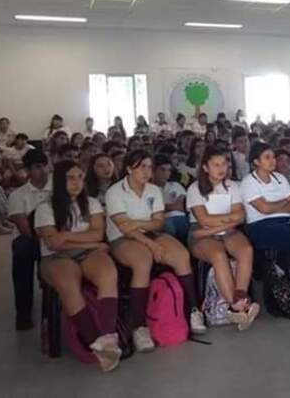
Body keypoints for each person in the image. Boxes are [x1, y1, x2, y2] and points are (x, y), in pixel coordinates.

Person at [105, 150, 206, 352]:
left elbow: (159, 222)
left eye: (149, 166)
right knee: (142, 262)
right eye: (141, 166)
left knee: (181, 256)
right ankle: (139, 327)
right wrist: (150, 242)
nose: (146, 171)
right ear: (128, 169)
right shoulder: (114, 192)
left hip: (151, 234)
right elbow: (124, 228)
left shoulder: (153, 190)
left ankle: (194, 311)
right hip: (122, 239)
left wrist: (138, 224)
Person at [34, 160, 121, 372]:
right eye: (70, 178)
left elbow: (97, 233)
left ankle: (108, 339)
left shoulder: (91, 203)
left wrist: (66, 235)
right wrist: (90, 241)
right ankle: (95, 342)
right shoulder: (45, 208)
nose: (76, 183)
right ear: (59, 180)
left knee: (108, 273)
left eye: (80, 177)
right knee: (68, 284)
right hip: (57, 257)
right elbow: (53, 243)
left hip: (87, 253)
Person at [187, 146, 261, 328]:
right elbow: (203, 219)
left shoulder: (232, 186)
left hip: (227, 231)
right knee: (219, 255)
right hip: (202, 235)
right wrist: (228, 220)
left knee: (246, 250)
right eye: (216, 164)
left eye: (224, 164)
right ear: (205, 167)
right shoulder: (195, 189)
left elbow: (239, 214)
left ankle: (240, 297)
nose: (221, 168)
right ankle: (236, 307)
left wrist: (221, 223)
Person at [239, 142, 290, 291]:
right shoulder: (248, 182)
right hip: (260, 226)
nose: (273, 161)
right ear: (256, 162)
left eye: (273, 157)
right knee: (287, 233)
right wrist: (284, 201)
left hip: (287, 220)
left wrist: (276, 205)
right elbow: (264, 209)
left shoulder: (279, 178)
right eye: (267, 157)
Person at [7, 149, 51, 330]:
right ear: (28, 170)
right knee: (23, 253)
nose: (43, 171)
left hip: (55, 235)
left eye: (45, 166)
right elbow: (24, 227)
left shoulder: (59, 188)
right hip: (29, 237)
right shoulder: (18, 195)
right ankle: (23, 313)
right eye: (37, 167)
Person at [152, 154, 189, 244]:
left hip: (182, 218)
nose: (166, 173)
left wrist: (163, 207)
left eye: (169, 170)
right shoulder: (149, 189)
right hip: (162, 221)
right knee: (167, 226)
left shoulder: (176, 185)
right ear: (153, 171)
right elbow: (150, 209)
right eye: (162, 169)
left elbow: (182, 206)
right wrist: (172, 206)